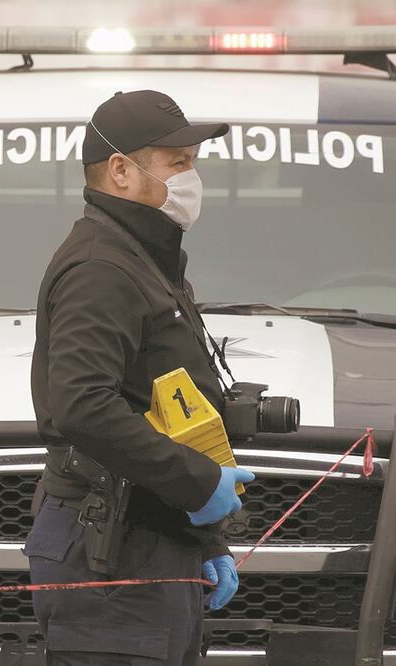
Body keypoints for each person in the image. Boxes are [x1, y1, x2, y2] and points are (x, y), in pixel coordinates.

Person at [27, 89, 256, 666]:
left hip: (149, 544)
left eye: (192, 162)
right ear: (122, 171)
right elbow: (81, 405)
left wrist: (201, 537)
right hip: (108, 559)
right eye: (176, 162)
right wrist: (198, 485)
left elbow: (158, 407)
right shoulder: (102, 268)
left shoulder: (143, 257)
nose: (191, 176)